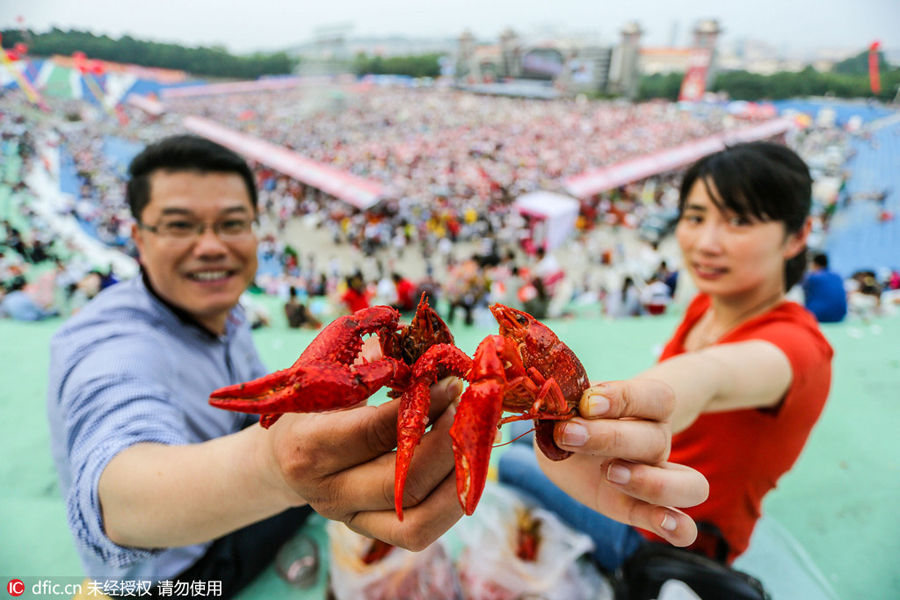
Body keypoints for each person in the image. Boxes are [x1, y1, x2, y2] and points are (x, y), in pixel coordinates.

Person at [47, 135, 708, 596]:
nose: (211, 246)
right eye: (179, 225)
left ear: (257, 229)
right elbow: (118, 495)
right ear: (135, 236)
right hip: (178, 575)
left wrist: (564, 435)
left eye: (232, 222)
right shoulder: (109, 345)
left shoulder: (225, 312)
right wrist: (271, 465)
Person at [501, 141, 833, 572]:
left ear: (798, 236)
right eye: (695, 217)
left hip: (665, 535)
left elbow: (708, 375)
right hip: (631, 487)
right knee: (527, 435)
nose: (706, 243)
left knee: (511, 460)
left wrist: (635, 403)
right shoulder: (707, 305)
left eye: (739, 221)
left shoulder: (797, 347)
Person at [802, 252, 847, 323]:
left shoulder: (812, 278)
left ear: (815, 264)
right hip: (839, 316)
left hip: (818, 315)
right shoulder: (837, 276)